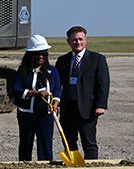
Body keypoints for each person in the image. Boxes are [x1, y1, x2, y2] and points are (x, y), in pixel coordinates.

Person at [55, 25, 109, 159]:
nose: (78, 42)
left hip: (88, 109)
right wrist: (55, 104)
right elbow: (57, 85)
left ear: (85, 40)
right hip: (68, 109)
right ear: (68, 41)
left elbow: (103, 84)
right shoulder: (62, 61)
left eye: (80, 39)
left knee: (89, 143)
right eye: (74, 40)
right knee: (68, 143)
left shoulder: (97, 59)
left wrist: (101, 105)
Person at [12, 35, 61, 161]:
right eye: (38, 54)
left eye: (44, 54)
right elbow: (16, 89)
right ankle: (24, 167)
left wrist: (55, 103)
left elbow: (57, 90)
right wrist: (36, 93)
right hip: (27, 114)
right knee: (26, 143)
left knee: (45, 144)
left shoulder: (52, 70)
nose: (41, 57)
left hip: (46, 114)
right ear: (30, 54)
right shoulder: (23, 71)